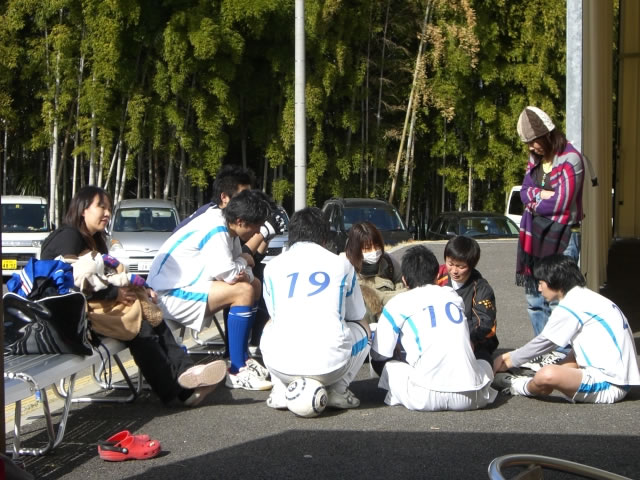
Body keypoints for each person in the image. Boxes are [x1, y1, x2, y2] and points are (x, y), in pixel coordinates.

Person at [40, 186, 227, 408]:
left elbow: (106, 277)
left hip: (91, 312)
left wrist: (140, 287)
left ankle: (187, 374)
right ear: (83, 209)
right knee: (139, 327)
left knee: (152, 317)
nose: (107, 213)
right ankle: (178, 392)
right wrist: (114, 293)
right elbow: (64, 282)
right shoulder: (69, 236)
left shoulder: (94, 240)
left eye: (109, 208)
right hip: (67, 321)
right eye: (101, 207)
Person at [147, 189, 274, 391]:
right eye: (256, 226)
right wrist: (244, 261)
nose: (258, 232)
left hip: (184, 288)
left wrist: (244, 266)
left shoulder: (227, 226)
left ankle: (243, 357)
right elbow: (230, 273)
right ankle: (237, 370)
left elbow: (242, 271)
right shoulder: (216, 228)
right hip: (166, 295)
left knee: (254, 285)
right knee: (243, 291)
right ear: (241, 221)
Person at [259, 207, 370, 412]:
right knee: (364, 329)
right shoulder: (342, 264)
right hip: (331, 368)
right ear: (325, 238)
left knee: (270, 325)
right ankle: (339, 389)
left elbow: (274, 315)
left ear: (291, 236)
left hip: (281, 366)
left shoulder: (272, 267)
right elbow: (356, 316)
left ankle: (279, 388)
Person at [494, 255, 640, 404]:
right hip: (620, 379)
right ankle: (539, 382)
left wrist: (508, 359)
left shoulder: (571, 305)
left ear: (554, 281)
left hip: (608, 384)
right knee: (554, 370)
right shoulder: (587, 297)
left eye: (541, 283)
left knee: (547, 374)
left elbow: (545, 342)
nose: (539, 289)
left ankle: (518, 385)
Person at [371, 245, 497, 412]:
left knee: (385, 364)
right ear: (437, 275)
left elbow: (379, 355)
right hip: (472, 396)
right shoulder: (452, 295)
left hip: (425, 396)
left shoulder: (397, 303)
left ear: (404, 280)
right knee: (483, 357)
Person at [515, 106, 585, 369]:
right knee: (535, 300)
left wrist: (535, 200)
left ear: (548, 135)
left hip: (562, 236)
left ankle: (563, 356)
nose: (532, 147)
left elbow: (562, 202)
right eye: (528, 143)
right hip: (534, 236)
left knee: (558, 300)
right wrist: (540, 197)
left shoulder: (571, 159)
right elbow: (524, 192)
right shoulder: (535, 159)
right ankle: (542, 351)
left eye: (534, 141)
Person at [436, 236, 498, 363]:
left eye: (460, 266)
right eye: (450, 264)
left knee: (481, 361)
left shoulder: (482, 289)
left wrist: (466, 340)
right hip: (442, 337)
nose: (454, 271)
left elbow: (484, 324)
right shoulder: (437, 277)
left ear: (471, 265)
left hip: (475, 341)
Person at [343, 221, 404, 323]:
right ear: (355, 249)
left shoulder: (389, 262)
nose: (374, 251)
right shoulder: (345, 267)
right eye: (367, 248)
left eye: (376, 246)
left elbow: (400, 281)